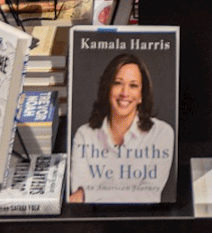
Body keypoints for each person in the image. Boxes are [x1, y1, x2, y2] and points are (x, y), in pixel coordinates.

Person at [69, 53, 175, 203]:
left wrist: (90, 194)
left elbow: (150, 195)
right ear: (107, 89)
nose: (125, 93)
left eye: (133, 85)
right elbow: (78, 195)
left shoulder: (162, 133)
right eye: (118, 83)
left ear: (141, 95)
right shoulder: (84, 134)